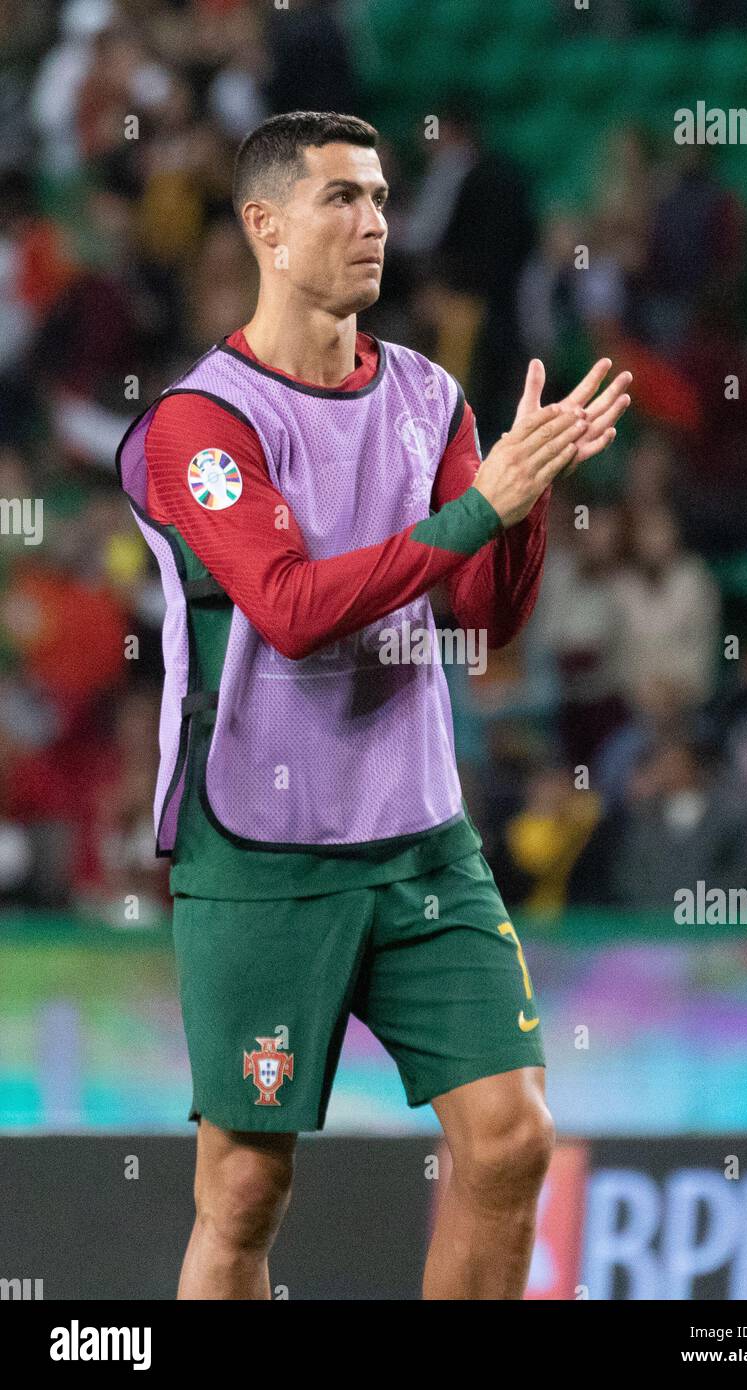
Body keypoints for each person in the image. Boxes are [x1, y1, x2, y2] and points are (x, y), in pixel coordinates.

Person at [115, 110, 632, 1300]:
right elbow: (292, 606)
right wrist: (475, 510)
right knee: (242, 1193)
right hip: (256, 848)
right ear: (266, 227)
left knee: (510, 1138)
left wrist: (525, 493)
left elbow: (481, 618)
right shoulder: (201, 424)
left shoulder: (427, 395)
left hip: (417, 839)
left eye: (385, 198)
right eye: (342, 198)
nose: (375, 224)